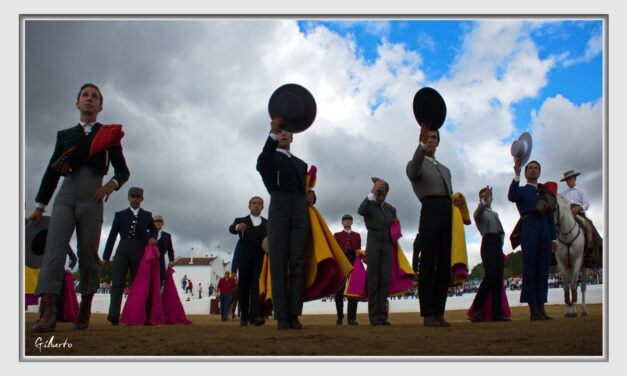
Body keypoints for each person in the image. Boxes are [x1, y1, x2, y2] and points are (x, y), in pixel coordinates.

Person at [28, 83, 130, 332]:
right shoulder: (65, 135)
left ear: (100, 106)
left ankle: (85, 307)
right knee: (54, 250)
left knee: (87, 254)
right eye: (85, 95)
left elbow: (123, 171)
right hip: (66, 195)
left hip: (92, 198)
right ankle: (48, 311)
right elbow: (52, 172)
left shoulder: (109, 135)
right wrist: (40, 206)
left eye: (94, 97)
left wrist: (111, 186)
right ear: (77, 103)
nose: (89, 99)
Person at [256, 117, 309, 330]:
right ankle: (282, 316)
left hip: (299, 210)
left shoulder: (301, 163)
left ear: (293, 137)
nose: (284, 134)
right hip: (278, 205)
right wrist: (272, 132)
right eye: (281, 132)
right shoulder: (269, 158)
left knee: (297, 261)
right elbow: (261, 164)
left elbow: (303, 189)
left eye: (287, 132)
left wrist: (311, 196)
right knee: (278, 262)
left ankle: (294, 314)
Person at [406, 125, 455, 327]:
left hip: (446, 210)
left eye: (434, 137)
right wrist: (421, 145)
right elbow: (413, 171)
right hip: (430, 209)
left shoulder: (445, 169)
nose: (431, 140)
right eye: (428, 137)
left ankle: (439, 312)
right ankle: (428, 313)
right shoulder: (414, 162)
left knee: (444, 263)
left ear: (438, 141)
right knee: (427, 262)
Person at [508, 160, 557, 320]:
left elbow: (550, 215)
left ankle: (541, 306)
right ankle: (533, 308)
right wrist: (516, 175)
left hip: (544, 228)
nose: (533, 170)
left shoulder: (545, 192)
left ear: (539, 172)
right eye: (530, 168)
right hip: (529, 226)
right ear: (526, 172)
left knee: (543, 269)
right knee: (530, 267)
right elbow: (511, 196)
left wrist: (554, 238)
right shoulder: (521, 190)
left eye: (536, 168)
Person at [102, 186, 157, 326]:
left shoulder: (147, 215)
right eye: (132, 196)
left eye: (137, 196)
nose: (134, 199)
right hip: (122, 250)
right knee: (117, 283)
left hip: (139, 251)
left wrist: (152, 238)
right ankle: (113, 314)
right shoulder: (120, 215)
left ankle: (139, 314)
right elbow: (112, 236)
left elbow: (154, 231)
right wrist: (106, 256)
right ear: (128, 197)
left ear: (142, 199)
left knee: (139, 284)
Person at [468, 186, 510, 322]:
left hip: (497, 244)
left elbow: (501, 231)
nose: (487, 197)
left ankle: (496, 312)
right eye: (483, 196)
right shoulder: (479, 212)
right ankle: (477, 308)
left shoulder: (494, 213)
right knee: (491, 276)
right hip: (488, 242)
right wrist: (483, 201)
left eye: (488, 195)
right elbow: (477, 213)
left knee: (497, 279)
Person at [358, 178, 397, 326]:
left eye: (383, 194)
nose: (381, 197)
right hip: (373, 244)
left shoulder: (391, 209)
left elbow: (394, 227)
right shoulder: (369, 204)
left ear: (387, 194)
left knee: (385, 279)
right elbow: (360, 211)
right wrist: (372, 191)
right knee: (373, 279)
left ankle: (383, 315)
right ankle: (374, 316)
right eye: (379, 194)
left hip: (387, 245)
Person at [229, 196, 268, 326]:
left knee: (257, 286)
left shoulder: (268, 223)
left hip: (260, 256)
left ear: (263, 207)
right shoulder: (241, 220)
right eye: (254, 203)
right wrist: (237, 228)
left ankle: (255, 316)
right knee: (244, 286)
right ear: (249, 206)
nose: (256, 205)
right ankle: (244, 316)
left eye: (259, 203)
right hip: (244, 256)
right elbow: (231, 228)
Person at [560, 169, 602, 267]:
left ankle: (591, 252)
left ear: (574, 178)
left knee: (588, 225)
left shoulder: (581, 191)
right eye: (566, 180)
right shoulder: (563, 193)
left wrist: (579, 207)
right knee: (556, 226)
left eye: (569, 179)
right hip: (566, 214)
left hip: (578, 213)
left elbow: (587, 204)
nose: (568, 181)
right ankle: (554, 253)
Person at [333, 214, 362, 326]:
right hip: (341, 262)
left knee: (353, 291)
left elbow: (359, 250)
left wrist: (359, 253)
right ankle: (340, 316)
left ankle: (352, 318)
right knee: (339, 291)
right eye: (345, 220)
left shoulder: (357, 235)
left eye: (349, 220)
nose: (347, 221)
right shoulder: (336, 235)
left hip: (354, 262)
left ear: (352, 222)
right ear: (342, 222)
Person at [153, 215, 175, 287]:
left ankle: (158, 297)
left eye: (159, 221)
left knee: (160, 279)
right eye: (156, 221)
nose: (158, 223)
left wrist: (171, 260)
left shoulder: (167, 235)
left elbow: (170, 250)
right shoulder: (148, 234)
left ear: (162, 223)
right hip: (150, 260)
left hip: (161, 260)